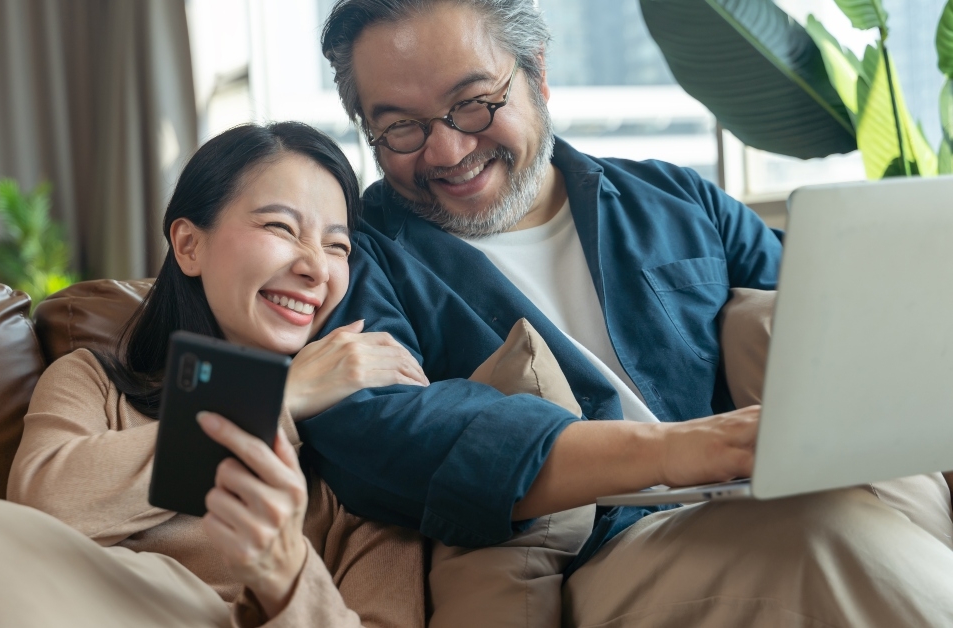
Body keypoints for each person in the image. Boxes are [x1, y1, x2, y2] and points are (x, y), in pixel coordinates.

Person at [292, 1, 953, 625]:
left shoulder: (673, 198)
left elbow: (835, 317)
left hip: (769, 503)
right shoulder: (361, 261)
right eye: (400, 128)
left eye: (472, 104)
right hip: (601, 555)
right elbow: (380, 435)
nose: (446, 151)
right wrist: (677, 451)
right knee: (828, 536)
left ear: (537, 74)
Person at [7, 122, 428, 628]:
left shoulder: (365, 451)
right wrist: (274, 399)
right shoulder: (95, 383)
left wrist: (284, 574)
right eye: (281, 228)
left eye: (337, 246)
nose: (316, 267)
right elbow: (38, 510)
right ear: (189, 245)